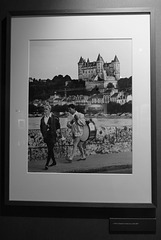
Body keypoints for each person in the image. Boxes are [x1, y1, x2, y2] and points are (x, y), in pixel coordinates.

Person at [40, 104, 61, 170]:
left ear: (49, 110)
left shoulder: (55, 118)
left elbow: (58, 127)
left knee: (50, 149)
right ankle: (54, 161)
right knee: (50, 149)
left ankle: (47, 164)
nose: (45, 111)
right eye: (44, 109)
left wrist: (59, 135)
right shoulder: (42, 119)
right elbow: (41, 127)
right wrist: (43, 134)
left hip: (52, 136)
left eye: (46, 109)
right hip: (46, 137)